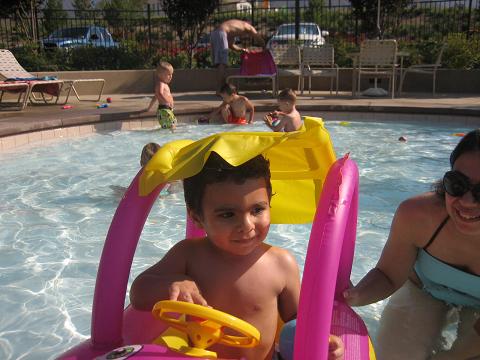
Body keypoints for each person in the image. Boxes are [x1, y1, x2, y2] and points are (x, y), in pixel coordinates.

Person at [130, 152, 344, 360]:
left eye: (257, 210)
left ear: (270, 203)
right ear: (197, 217)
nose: (246, 225)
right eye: (227, 214)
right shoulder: (188, 255)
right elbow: (139, 294)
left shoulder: (281, 264)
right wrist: (174, 283)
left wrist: (324, 341)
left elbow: (298, 321)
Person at [343, 129, 480, 360]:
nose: (467, 201)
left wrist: (453, 355)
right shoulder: (418, 215)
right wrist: (355, 296)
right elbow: (389, 275)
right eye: (457, 184)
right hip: (425, 292)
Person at [210, 19, 265, 93]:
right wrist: (264, 46)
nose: (246, 37)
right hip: (221, 34)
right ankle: (219, 90)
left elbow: (231, 45)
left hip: (214, 34)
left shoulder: (233, 29)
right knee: (222, 63)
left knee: (219, 64)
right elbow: (257, 36)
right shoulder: (248, 26)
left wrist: (242, 50)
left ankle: (221, 88)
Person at [110, 142, 181, 198]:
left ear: (141, 163)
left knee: (117, 189)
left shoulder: (141, 182)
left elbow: (131, 194)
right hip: (166, 197)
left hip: (147, 200)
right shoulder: (172, 180)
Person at [143, 61, 177, 131]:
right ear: (160, 75)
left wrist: (149, 108)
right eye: (168, 74)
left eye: (171, 74)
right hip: (164, 110)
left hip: (166, 110)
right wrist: (168, 102)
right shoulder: (161, 83)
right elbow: (160, 93)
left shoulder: (165, 85)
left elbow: (155, 97)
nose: (171, 76)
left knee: (170, 126)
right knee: (172, 125)